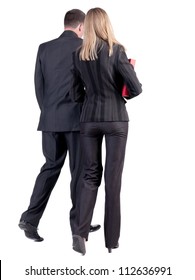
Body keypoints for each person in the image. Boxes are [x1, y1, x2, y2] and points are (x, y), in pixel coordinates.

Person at [18, 9, 100, 242]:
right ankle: (78, 226)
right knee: (79, 172)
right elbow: (90, 86)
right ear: (81, 27)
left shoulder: (44, 48)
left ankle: (30, 219)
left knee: (50, 167)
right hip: (76, 120)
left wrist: (49, 111)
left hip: (50, 120)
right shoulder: (84, 47)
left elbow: (39, 85)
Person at [70, 7, 142, 255]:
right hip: (115, 121)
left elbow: (75, 94)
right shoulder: (116, 50)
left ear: (87, 26)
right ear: (106, 24)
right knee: (113, 181)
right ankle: (111, 242)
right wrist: (123, 94)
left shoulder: (78, 54)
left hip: (88, 120)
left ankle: (79, 233)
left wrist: (90, 101)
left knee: (89, 177)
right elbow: (136, 88)